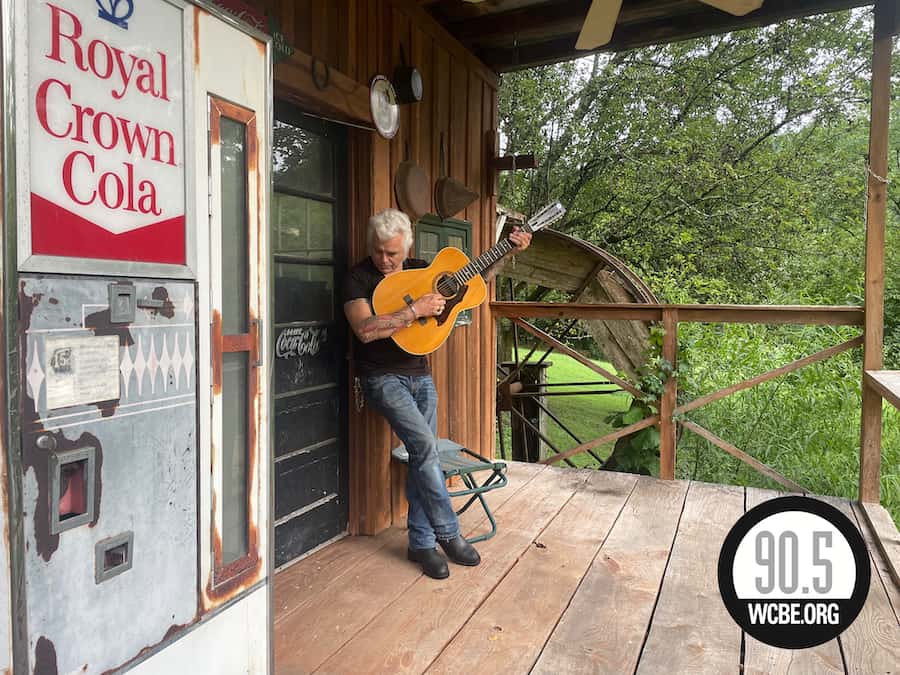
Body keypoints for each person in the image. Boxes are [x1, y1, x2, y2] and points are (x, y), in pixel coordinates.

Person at [343, 208, 531, 579]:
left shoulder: (420, 269)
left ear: (406, 247)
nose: (384, 259)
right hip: (381, 378)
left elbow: (478, 280)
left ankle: (421, 543)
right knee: (426, 447)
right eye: (379, 250)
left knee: (420, 453)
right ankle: (449, 533)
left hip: (420, 374)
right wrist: (414, 310)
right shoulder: (357, 277)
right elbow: (365, 330)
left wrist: (507, 250)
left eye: (392, 253)